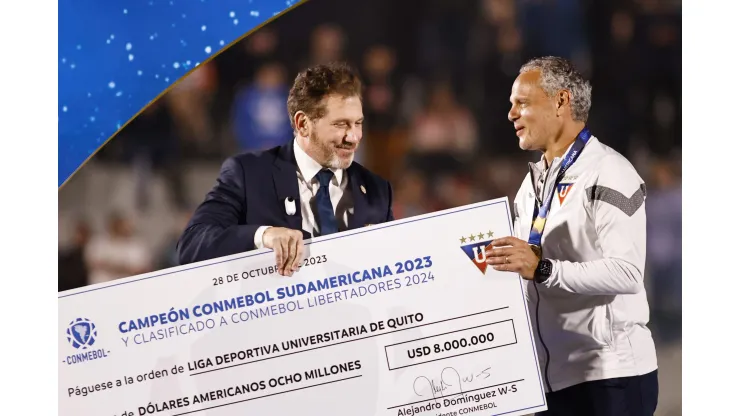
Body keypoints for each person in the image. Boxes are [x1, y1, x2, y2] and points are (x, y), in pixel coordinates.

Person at [485, 56, 659, 415]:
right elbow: (526, 270)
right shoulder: (533, 183)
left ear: (561, 101)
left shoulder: (609, 171)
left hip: (610, 377)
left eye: (522, 103)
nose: (511, 114)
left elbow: (628, 273)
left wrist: (545, 270)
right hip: (552, 380)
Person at [177, 62, 395, 276]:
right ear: (302, 124)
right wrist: (263, 235)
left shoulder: (377, 189)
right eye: (340, 124)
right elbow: (192, 245)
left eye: (358, 123)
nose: (354, 137)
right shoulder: (248, 174)